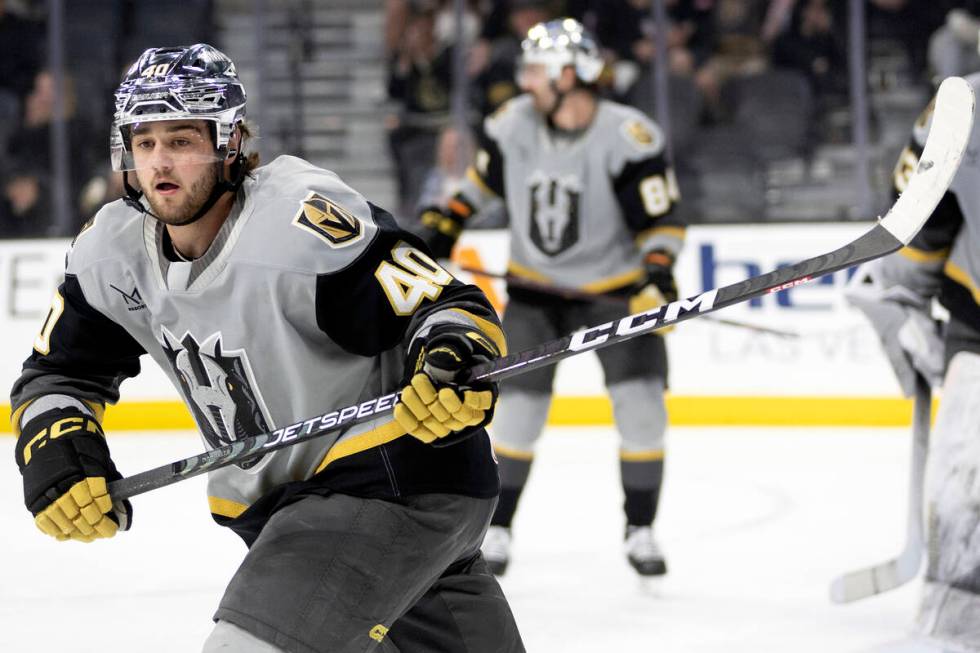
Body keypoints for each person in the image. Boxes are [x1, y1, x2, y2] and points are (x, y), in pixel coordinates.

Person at [9, 43, 524, 653]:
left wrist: (449, 363)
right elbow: (55, 375)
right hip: (312, 507)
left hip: (384, 480)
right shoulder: (111, 252)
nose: (160, 162)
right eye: (144, 142)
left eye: (182, 140)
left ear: (232, 144)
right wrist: (58, 453)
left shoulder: (295, 222)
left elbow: (442, 305)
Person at [419, 18, 684, 577]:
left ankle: (641, 528)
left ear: (574, 73)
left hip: (613, 294)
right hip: (535, 292)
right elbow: (478, 184)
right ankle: (499, 529)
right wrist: (447, 221)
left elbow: (661, 222)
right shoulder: (512, 122)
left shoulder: (629, 135)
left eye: (538, 69)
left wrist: (656, 275)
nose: (526, 79)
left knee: (642, 412)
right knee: (517, 414)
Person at [846, 74, 980, 652]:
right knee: (962, 484)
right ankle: (958, 619)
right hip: (977, 321)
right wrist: (898, 293)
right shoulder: (961, 105)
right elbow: (925, 218)